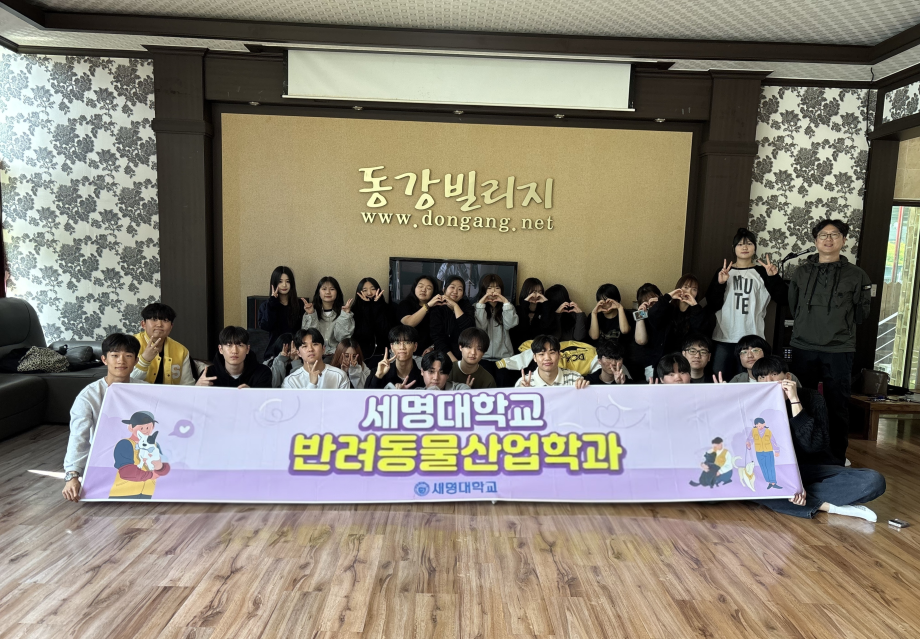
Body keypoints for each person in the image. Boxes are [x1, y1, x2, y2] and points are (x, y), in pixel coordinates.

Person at [752, 356, 886, 520]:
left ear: (787, 377)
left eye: (773, 374)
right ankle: (829, 507)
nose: (769, 381)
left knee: (874, 481)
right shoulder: (753, 405)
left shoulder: (812, 398)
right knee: (750, 485)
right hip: (777, 472)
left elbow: (813, 445)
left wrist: (794, 400)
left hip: (811, 468)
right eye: (762, 377)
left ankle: (790, 496)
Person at [788, 218, 872, 465]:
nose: (828, 239)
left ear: (843, 240)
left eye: (834, 234)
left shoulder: (857, 275)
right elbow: (793, 306)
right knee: (801, 401)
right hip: (803, 345)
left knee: (837, 405)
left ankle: (836, 459)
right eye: (823, 235)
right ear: (815, 241)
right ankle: (802, 457)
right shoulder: (801, 272)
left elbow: (862, 313)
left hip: (839, 348)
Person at [63, 333, 148, 502]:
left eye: (128, 355)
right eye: (115, 355)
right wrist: (72, 475)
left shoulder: (146, 390)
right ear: (104, 359)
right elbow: (79, 436)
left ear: (136, 361)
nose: (121, 361)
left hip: (141, 458)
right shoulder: (88, 396)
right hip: (103, 460)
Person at [706, 229, 787, 379]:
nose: (744, 247)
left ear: (755, 248)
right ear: (733, 248)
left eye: (749, 243)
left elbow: (783, 299)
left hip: (752, 338)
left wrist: (774, 278)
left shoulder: (762, 272)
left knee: (750, 380)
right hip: (724, 337)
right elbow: (712, 304)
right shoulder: (724, 271)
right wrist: (720, 283)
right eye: (740, 244)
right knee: (720, 379)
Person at [109, 410, 171, 499]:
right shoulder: (125, 444)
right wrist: (151, 475)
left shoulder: (155, 445)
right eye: (141, 428)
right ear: (131, 428)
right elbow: (126, 471)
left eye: (148, 427)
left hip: (147, 494)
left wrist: (160, 466)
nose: (145, 431)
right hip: (123, 493)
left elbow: (165, 467)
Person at [646, 274, 711, 356]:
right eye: (686, 287)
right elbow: (653, 316)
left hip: (687, 357)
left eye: (694, 289)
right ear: (679, 288)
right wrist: (668, 296)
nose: (689, 292)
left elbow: (701, 331)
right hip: (665, 355)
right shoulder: (668, 308)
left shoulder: (697, 312)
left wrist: (695, 305)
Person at [131, 302, 195, 385]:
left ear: (171, 326)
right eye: (154, 319)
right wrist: (144, 360)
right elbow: (123, 382)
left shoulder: (181, 350)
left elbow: (187, 384)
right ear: (143, 324)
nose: (159, 325)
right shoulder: (129, 344)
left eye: (165, 320)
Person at [196, 326, 272, 388]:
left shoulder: (262, 373)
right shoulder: (209, 374)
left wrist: (251, 394)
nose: (234, 351)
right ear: (220, 349)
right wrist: (196, 388)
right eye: (229, 345)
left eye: (240, 345)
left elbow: (266, 401)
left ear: (247, 349)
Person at [257, 266, 305, 360]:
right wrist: (273, 303)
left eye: (288, 281)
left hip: (296, 352)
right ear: (274, 283)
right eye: (280, 281)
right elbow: (266, 326)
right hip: (274, 353)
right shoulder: (266, 305)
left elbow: (304, 330)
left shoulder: (299, 304)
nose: (284, 285)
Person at [302, 276, 354, 360]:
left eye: (332, 289)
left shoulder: (344, 313)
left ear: (337, 292)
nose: (328, 292)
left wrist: (344, 315)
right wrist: (311, 314)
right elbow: (309, 338)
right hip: (314, 355)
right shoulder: (311, 312)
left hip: (337, 356)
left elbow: (343, 339)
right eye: (324, 289)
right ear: (318, 292)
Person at [474, 273, 519, 366]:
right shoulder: (476, 307)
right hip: (483, 356)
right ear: (484, 289)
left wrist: (506, 303)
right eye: (489, 288)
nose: (493, 291)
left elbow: (510, 325)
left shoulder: (508, 307)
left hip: (505, 357)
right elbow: (480, 328)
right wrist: (481, 306)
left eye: (497, 288)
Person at [281, 329, 350, 389]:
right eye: (305, 346)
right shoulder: (291, 381)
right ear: (298, 353)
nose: (310, 349)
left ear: (323, 349)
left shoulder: (339, 376)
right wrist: (312, 384)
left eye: (315, 344)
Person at [430, 274, 476, 362]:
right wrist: (454, 361)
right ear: (444, 290)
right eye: (452, 287)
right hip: (443, 355)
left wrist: (455, 306)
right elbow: (438, 339)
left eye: (460, 289)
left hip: (465, 354)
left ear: (463, 294)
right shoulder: (437, 309)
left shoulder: (467, 306)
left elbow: (469, 330)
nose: (455, 291)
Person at [515, 334, 590, 388]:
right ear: (534, 357)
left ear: (559, 355)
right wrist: (526, 394)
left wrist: (584, 389)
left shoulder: (574, 379)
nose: (547, 358)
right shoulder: (523, 383)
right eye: (541, 354)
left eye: (552, 353)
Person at [728, 334, 802, 386]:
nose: (750, 355)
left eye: (755, 350)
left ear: (765, 352)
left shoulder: (786, 376)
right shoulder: (738, 380)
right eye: (744, 352)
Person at [367, 325, 425, 389]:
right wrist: (378, 377)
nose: (402, 347)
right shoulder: (377, 372)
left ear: (415, 346)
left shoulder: (423, 377)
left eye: (407, 342)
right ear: (391, 347)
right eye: (397, 342)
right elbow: (366, 394)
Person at [351, 277, 390, 369]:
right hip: (362, 355)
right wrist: (366, 307)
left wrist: (377, 306)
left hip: (382, 354)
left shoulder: (387, 308)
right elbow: (364, 333)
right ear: (359, 292)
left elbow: (384, 332)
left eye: (373, 289)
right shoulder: (354, 310)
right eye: (365, 290)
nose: (369, 293)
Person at [628, 283, 663, 381]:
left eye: (652, 299)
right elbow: (641, 340)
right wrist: (641, 314)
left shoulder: (668, 311)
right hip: (651, 364)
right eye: (645, 301)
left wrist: (660, 305)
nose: (650, 303)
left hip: (668, 361)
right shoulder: (642, 317)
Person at [397, 275, 441, 353]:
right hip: (406, 352)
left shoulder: (437, 308)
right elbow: (409, 323)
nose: (423, 290)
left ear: (434, 292)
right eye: (420, 286)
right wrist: (428, 305)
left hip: (429, 353)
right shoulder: (405, 304)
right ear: (415, 288)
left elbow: (441, 333)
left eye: (428, 288)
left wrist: (433, 347)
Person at [511, 277, 549, 348]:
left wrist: (545, 303)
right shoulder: (517, 309)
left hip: (539, 349)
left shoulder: (544, 310)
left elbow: (545, 329)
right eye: (533, 292)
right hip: (519, 348)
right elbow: (522, 329)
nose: (537, 295)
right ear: (526, 292)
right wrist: (525, 303)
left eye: (540, 292)